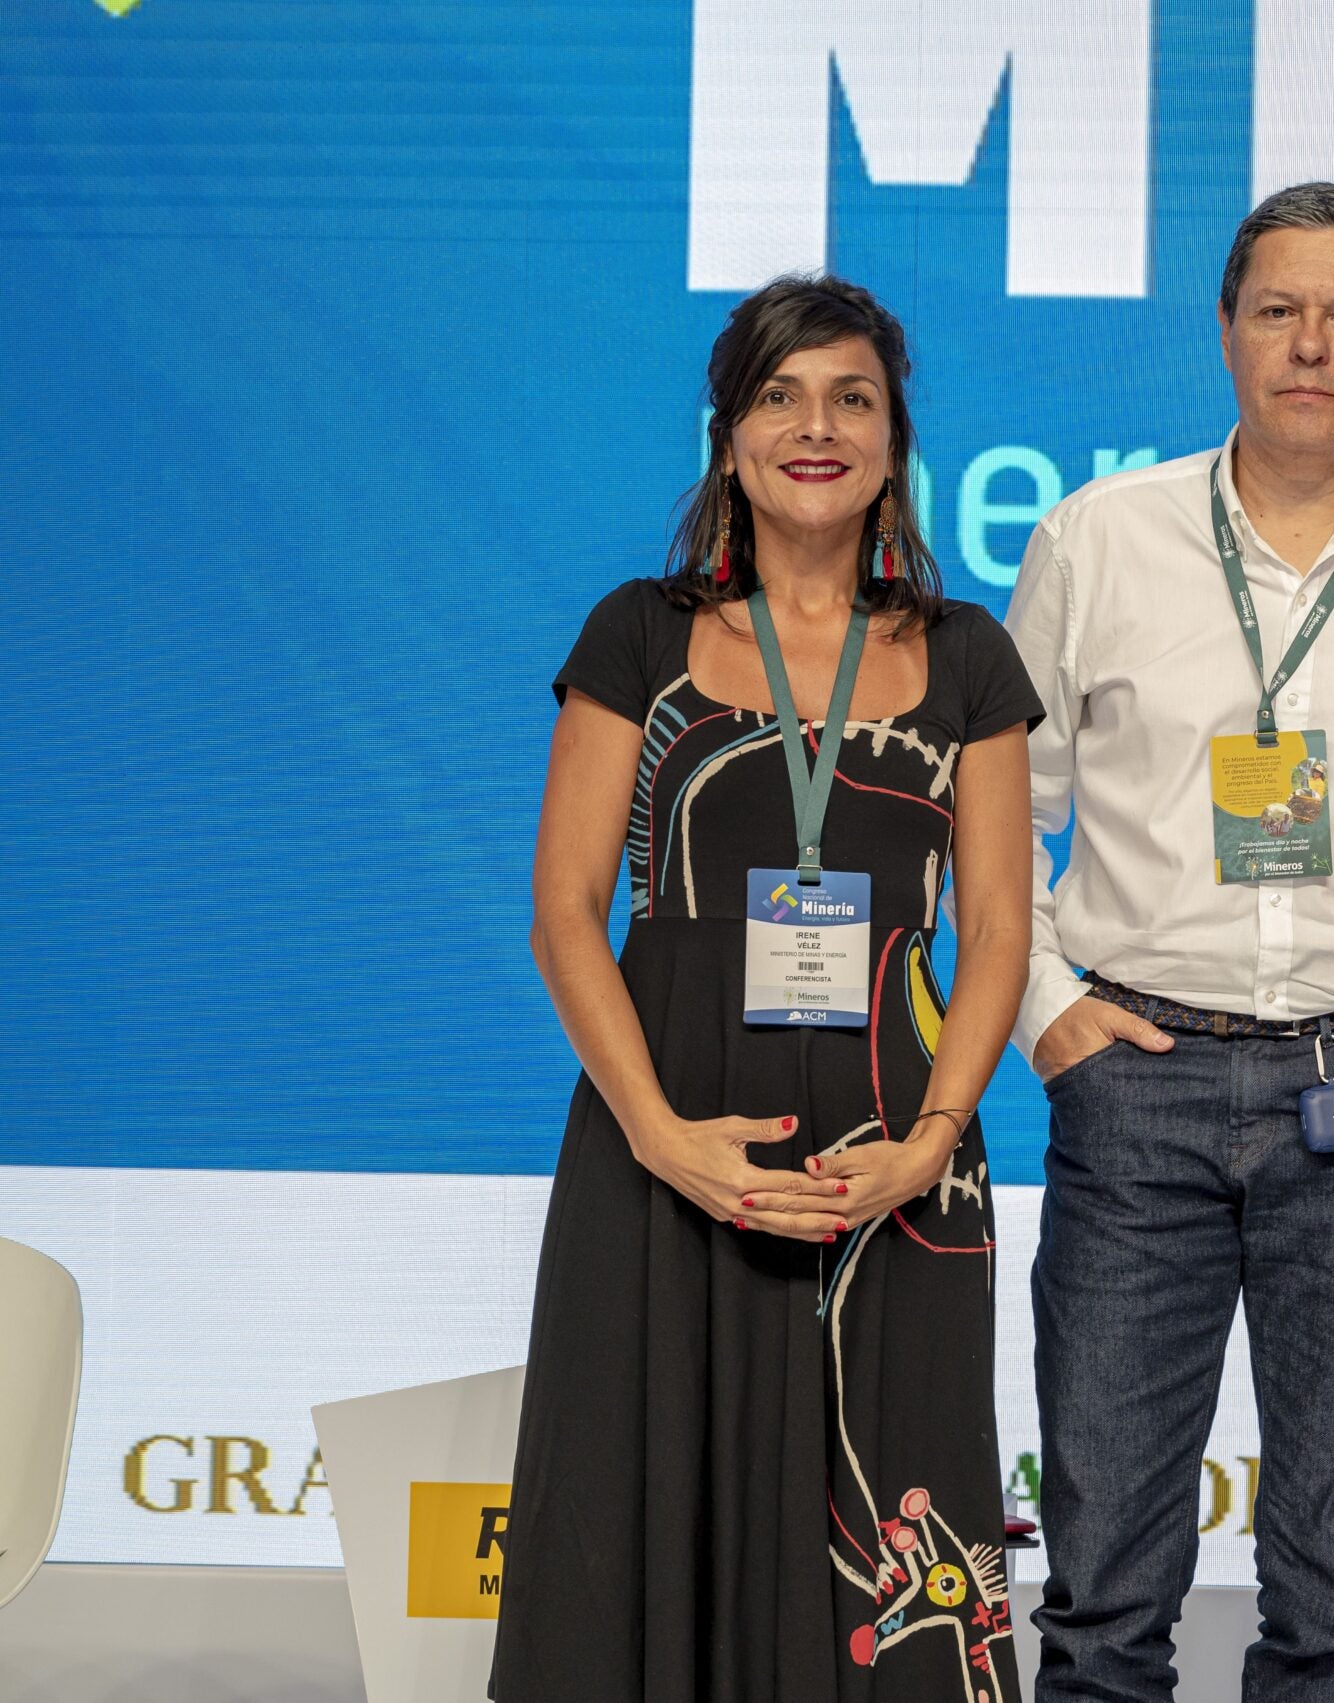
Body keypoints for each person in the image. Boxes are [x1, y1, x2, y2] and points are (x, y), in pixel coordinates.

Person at [1004, 183, 1334, 1702]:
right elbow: (999, 813)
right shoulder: (1095, 540)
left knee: (1333, 1586)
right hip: (1136, 1075)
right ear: (1228, 331)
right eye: (1277, 310)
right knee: (1103, 1579)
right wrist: (1043, 1008)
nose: (1311, 345)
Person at [493, 275, 1045, 1703]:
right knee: (644, 1508)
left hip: (895, 1169)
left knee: (893, 1525)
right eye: (781, 397)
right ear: (728, 436)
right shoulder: (641, 633)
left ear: (894, 440)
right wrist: (665, 1142)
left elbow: (995, 931)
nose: (818, 427)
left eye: (852, 398)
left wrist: (928, 1147)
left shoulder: (968, 655)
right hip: (665, 1149)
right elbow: (566, 914)